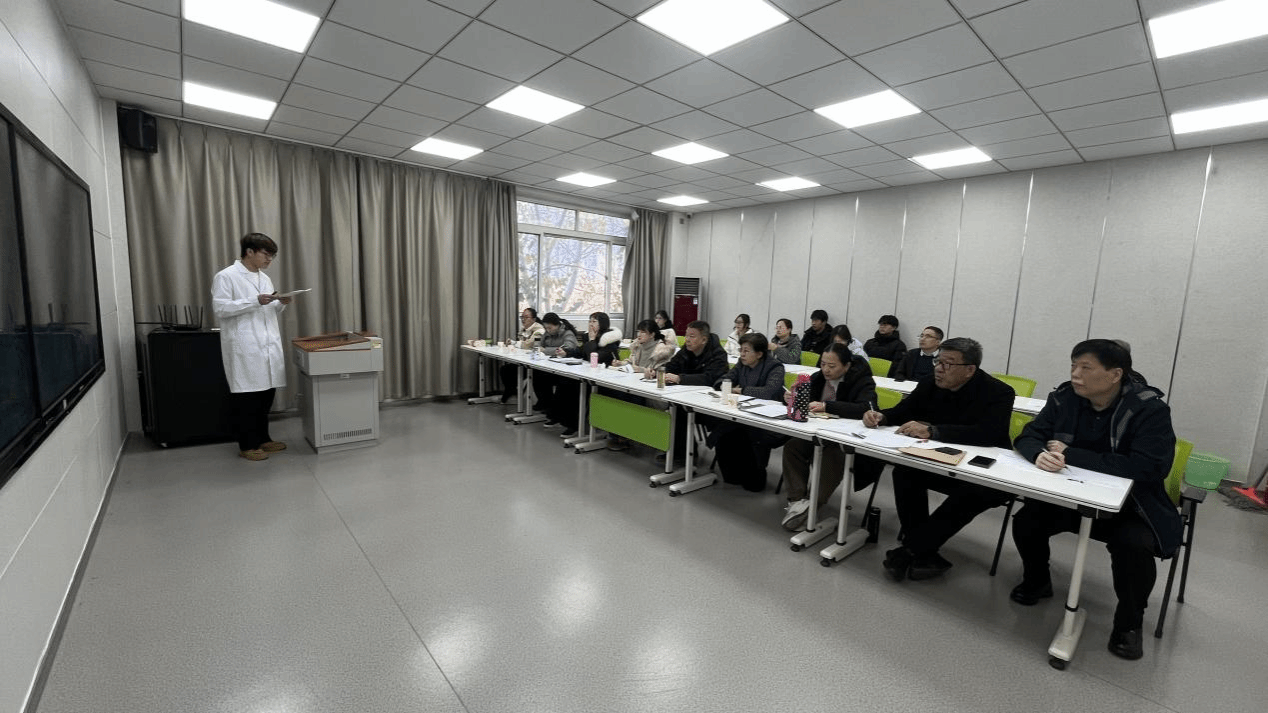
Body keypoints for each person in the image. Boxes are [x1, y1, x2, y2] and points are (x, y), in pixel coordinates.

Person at [1009, 339, 1179, 661]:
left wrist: (1071, 454)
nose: (1075, 374)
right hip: (1071, 495)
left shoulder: (1148, 409)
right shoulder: (1063, 398)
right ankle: (1038, 580)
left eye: (1086, 368)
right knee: (1027, 521)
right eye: (1073, 365)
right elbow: (1029, 435)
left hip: (1129, 506)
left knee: (1134, 547)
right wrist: (1039, 454)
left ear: (1115, 374)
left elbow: (1149, 467)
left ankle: (1129, 623)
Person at [860, 337, 1013, 581]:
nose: (939, 369)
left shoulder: (999, 392)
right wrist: (881, 417)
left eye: (947, 364)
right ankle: (924, 552)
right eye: (937, 362)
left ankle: (910, 549)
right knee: (905, 472)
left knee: (972, 493)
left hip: (986, 474)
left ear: (970, 369)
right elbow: (903, 411)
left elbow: (988, 433)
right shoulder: (930, 383)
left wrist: (934, 431)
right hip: (942, 462)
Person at [211, 232, 292, 461]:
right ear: (249, 252)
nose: (269, 260)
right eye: (266, 255)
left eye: (272, 256)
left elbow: (268, 310)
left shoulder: (264, 278)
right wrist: (254, 301)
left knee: (266, 395)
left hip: (267, 344)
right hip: (244, 346)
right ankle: (247, 444)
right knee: (247, 399)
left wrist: (280, 302)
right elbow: (221, 309)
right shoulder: (226, 276)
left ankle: (263, 438)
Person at [780, 344, 877, 530]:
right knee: (793, 447)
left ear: (847, 366)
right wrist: (792, 397)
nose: (826, 370)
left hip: (845, 440)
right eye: (823, 364)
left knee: (832, 456)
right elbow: (805, 402)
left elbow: (866, 407)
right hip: (818, 433)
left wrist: (827, 406)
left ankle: (812, 505)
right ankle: (797, 501)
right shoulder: (818, 377)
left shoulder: (862, 380)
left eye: (832, 366)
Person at [709, 333, 786, 491]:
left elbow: (769, 392)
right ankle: (732, 475)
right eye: (741, 350)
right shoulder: (742, 364)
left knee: (747, 433)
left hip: (767, 420)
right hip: (742, 414)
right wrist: (724, 384)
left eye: (746, 351)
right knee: (725, 431)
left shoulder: (775, 367)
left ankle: (755, 475)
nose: (742, 354)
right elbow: (726, 378)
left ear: (759, 354)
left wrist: (742, 390)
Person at [651, 320, 728, 465]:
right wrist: (656, 372)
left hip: (711, 404)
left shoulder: (718, 354)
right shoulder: (686, 350)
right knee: (675, 407)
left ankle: (686, 454)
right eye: (686, 335)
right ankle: (680, 451)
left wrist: (680, 378)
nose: (687, 339)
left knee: (680, 411)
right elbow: (672, 365)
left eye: (692, 336)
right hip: (688, 397)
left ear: (704, 339)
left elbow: (710, 378)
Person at [606, 320, 675, 451]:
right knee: (614, 393)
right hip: (636, 384)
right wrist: (621, 363)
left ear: (652, 335)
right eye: (638, 331)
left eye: (643, 332)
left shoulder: (662, 350)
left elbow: (660, 371)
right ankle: (618, 434)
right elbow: (631, 363)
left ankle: (625, 436)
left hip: (653, 390)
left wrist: (642, 370)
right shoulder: (638, 346)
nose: (639, 335)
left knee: (627, 398)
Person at [551, 312, 622, 437]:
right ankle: (560, 418)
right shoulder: (588, 337)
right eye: (590, 321)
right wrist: (566, 352)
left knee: (574, 387)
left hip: (604, 379)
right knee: (564, 382)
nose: (590, 324)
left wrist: (592, 341)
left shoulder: (610, 339)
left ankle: (574, 425)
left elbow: (595, 357)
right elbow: (581, 352)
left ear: (602, 324)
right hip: (589, 375)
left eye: (594, 321)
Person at [532, 313, 578, 422]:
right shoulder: (547, 333)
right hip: (550, 365)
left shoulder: (567, 333)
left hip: (565, 369)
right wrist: (541, 348)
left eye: (550, 327)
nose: (548, 330)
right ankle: (545, 404)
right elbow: (538, 345)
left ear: (557, 325)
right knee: (537, 375)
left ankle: (554, 409)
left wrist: (546, 350)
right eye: (546, 328)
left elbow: (568, 348)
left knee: (554, 381)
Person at [500, 307, 545, 403]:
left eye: (526, 317)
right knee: (504, 370)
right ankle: (512, 392)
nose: (523, 319)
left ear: (533, 319)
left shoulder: (539, 330)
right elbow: (521, 344)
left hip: (536, 363)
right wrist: (513, 343)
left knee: (510, 371)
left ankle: (511, 393)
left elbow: (529, 345)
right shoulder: (524, 329)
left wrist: (514, 343)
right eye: (522, 317)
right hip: (524, 360)